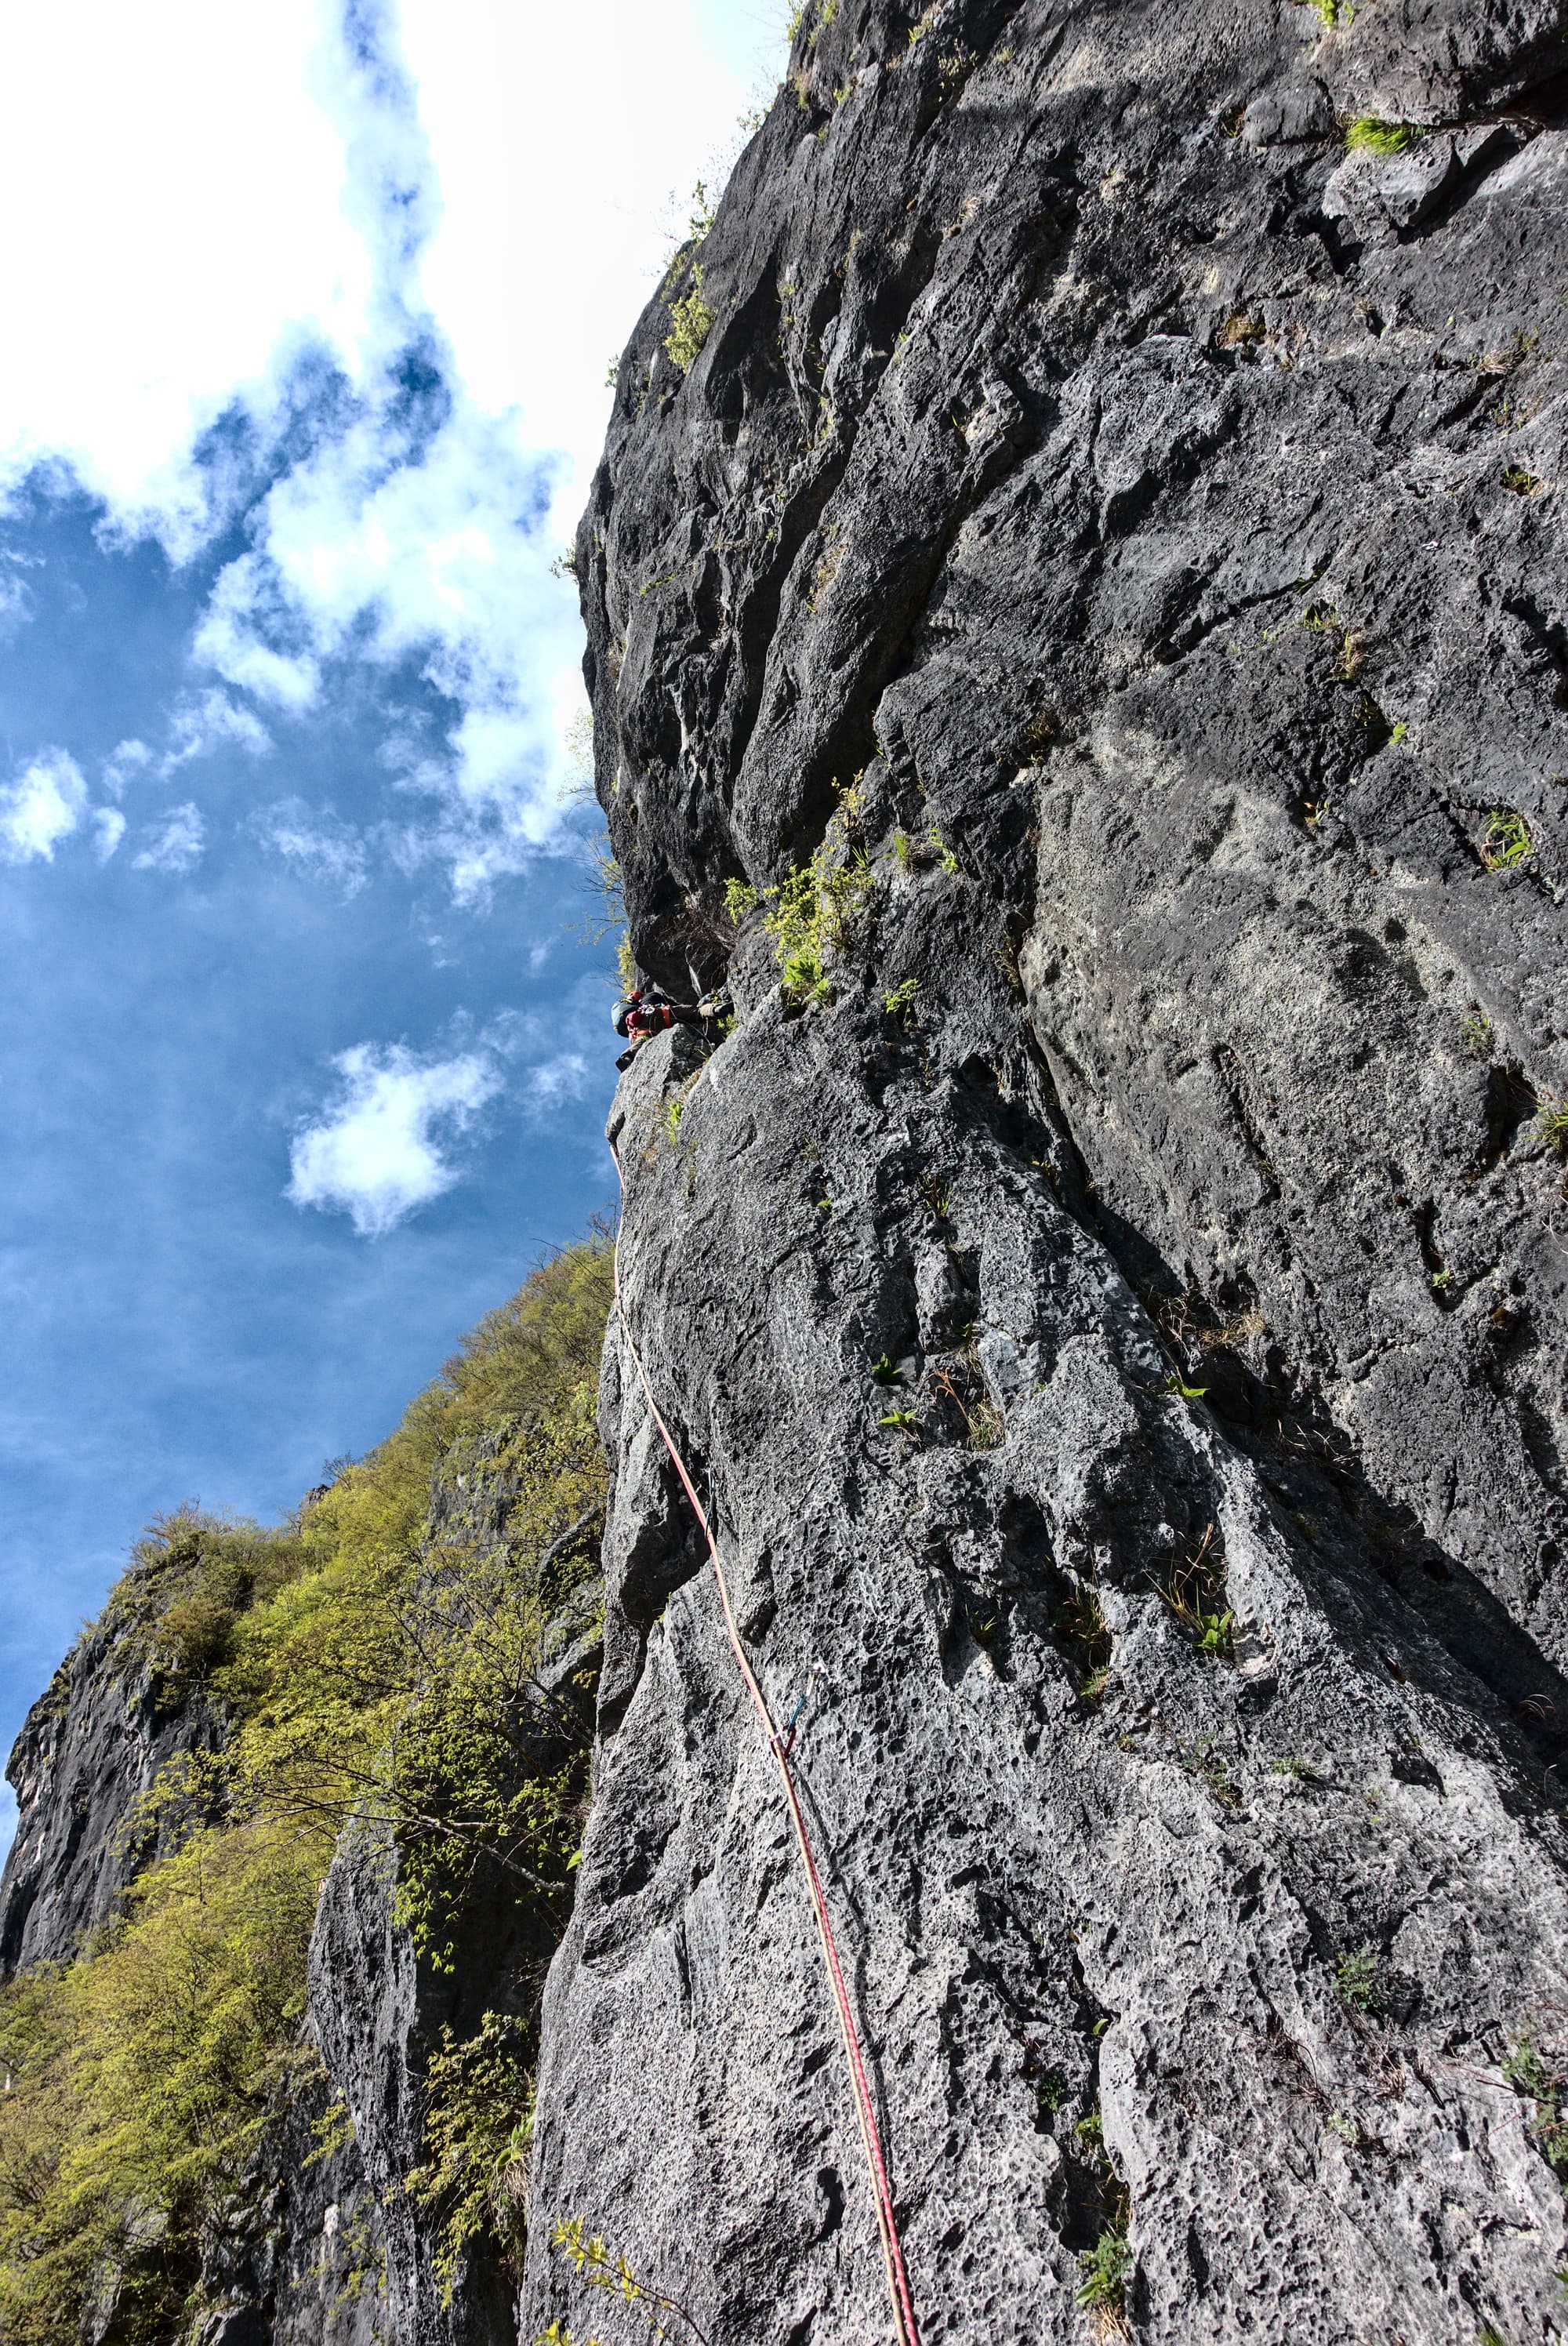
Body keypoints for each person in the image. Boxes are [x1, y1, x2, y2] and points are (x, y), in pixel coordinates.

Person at [612, 984, 726, 1070]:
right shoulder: (651, 996)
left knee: (642, 1040)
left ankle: (627, 1057)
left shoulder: (628, 1019)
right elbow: (670, 1004)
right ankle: (716, 1009)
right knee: (696, 1012)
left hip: (642, 1028)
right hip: (658, 1013)